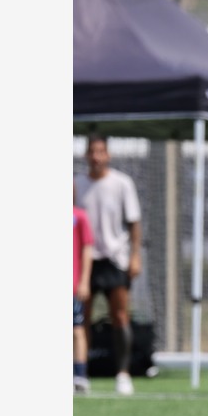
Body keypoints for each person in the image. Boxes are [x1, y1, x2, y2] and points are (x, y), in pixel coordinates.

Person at [76, 133, 143, 396]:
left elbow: (134, 223)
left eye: (101, 151)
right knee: (81, 319)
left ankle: (123, 374)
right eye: (92, 151)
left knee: (119, 315)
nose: (96, 156)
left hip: (115, 258)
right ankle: (81, 373)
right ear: (86, 155)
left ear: (108, 154)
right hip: (85, 262)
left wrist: (135, 256)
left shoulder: (122, 183)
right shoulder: (76, 184)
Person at [73, 183, 94, 394]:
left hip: (72, 285)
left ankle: (79, 375)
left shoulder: (79, 216)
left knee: (77, 329)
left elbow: (87, 249)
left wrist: (84, 280)